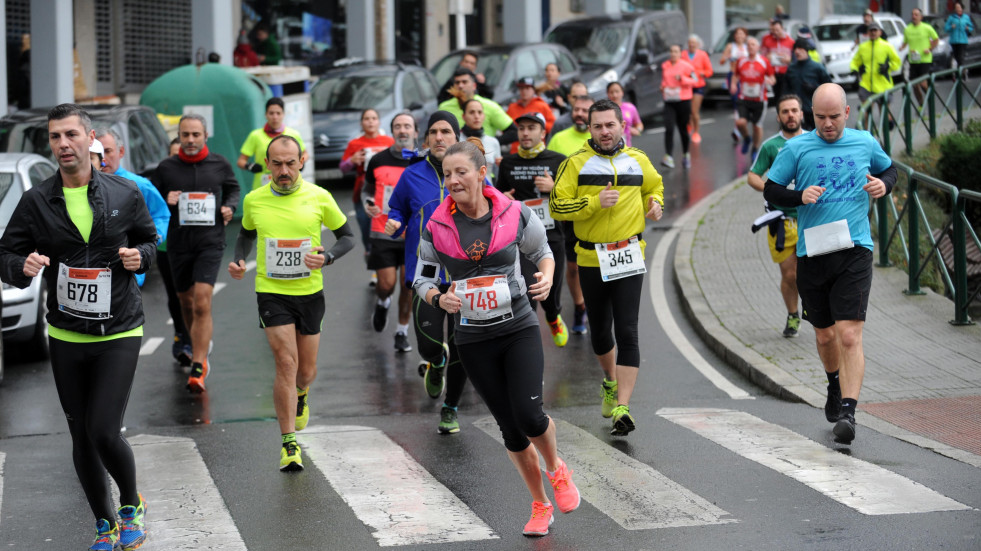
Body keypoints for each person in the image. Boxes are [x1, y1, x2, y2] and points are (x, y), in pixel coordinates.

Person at [0, 103, 155, 551]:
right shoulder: (36, 201)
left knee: (104, 428)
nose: (63, 144)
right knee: (81, 435)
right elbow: (6, 255)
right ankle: (104, 523)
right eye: (55, 137)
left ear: (89, 140)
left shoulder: (124, 193)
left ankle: (130, 503)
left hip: (120, 330)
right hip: (67, 335)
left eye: (70, 135)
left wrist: (139, 257)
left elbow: (149, 242)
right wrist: (21, 265)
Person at [414, 137, 580, 537]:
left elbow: (543, 251)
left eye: (461, 172)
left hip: (518, 326)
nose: (453, 180)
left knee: (529, 415)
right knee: (509, 428)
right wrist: (439, 297)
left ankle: (556, 469)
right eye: (447, 174)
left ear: (481, 173)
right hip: (472, 336)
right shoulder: (436, 224)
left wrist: (547, 277)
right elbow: (421, 278)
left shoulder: (513, 212)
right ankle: (540, 504)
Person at [763, 83, 897, 444]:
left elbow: (891, 170)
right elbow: (770, 189)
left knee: (850, 335)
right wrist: (798, 196)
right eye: (820, 117)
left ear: (847, 113)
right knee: (824, 336)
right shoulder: (797, 147)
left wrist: (883, 185)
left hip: (854, 249)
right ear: (811, 115)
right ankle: (834, 385)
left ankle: (850, 413)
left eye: (834, 117)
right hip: (813, 252)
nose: (827, 124)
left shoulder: (864, 141)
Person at [229, 135, 354, 471]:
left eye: (290, 163)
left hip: (310, 292)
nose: (283, 170)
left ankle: (301, 394)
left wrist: (327, 257)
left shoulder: (319, 197)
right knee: (285, 361)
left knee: (306, 370)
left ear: (302, 160)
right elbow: (245, 234)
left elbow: (348, 237)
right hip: (271, 291)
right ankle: (288, 443)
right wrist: (239, 259)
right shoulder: (255, 200)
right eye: (276, 164)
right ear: (267, 164)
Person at [550, 99, 664, 436]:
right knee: (601, 333)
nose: (604, 131)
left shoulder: (639, 160)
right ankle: (610, 381)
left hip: (629, 253)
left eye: (609, 125)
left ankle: (622, 407)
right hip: (591, 257)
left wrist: (655, 203)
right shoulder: (575, 164)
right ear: (590, 128)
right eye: (597, 126)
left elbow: (654, 186)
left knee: (627, 331)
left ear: (621, 126)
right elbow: (557, 205)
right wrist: (594, 202)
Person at [386, 112, 471, 434]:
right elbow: (397, 210)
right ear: (426, 138)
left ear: (457, 137)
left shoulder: (473, 174)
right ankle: (435, 363)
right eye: (433, 132)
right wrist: (394, 223)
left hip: (464, 274)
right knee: (429, 344)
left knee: (461, 346)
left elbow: (495, 207)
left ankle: (450, 408)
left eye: (446, 131)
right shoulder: (411, 176)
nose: (439, 137)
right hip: (426, 275)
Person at [156, 113, 240, 393]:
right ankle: (195, 342)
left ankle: (199, 364)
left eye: (196, 135)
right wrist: (166, 200)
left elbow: (233, 188)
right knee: (187, 303)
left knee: (202, 301)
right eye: (185, 135)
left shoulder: (219, 164)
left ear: (206, 136)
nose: (190, 140)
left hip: (209, 242)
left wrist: (229, 206)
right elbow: (155, 202)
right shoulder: (167, 167)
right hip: (179, 244)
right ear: (178, 137)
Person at [496, 111, 569, 346]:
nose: (525, 133)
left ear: (543, 132)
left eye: (531, 128)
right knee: (530, 290)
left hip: (552, 235)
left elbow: (573, 198)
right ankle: (530, 342)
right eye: (521, 128)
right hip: (521, 238)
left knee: (551, 290)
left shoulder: (558, 160)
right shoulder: (508, 162)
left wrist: (554, 186)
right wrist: (503, 197)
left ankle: (553, 316)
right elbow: (497, 197)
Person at [746, 94, 805, 338]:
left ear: (802, 113)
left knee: (810, 274)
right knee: (789, 275)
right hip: (781, 222)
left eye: (794, 110)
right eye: (785, 111)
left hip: (810, 219)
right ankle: (793, 315)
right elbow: (753, 176)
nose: (790, 115)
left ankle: (817, 311)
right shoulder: (771, 146)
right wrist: (771, 191)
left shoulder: (814, 140)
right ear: (779, 116)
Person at [363, 113, 419, 351]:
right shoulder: (377, 160)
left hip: (412, 235)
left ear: (416, 132)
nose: (402, 130)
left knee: (408, 285)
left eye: (407, 126)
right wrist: (369, 205)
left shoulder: (422, 162)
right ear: (392, 131)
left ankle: (401, 331)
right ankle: (383, 302)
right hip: (383, 231)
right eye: (398, 126)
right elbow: (367, 191)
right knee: (386, 284)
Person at [95, 127, 170, 289]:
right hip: (93, 274)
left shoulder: (138, 186)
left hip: (128, 273)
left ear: (121, 152)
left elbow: (161, 215)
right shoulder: (82, 187)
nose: (103, 159)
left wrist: (148, 244)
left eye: (108, 151)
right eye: (98, 153)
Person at [547, 95, 594, 335]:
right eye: (576, 109)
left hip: (596, 214)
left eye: (585, 110)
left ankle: (598, 308)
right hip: (569, 216)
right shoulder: (558, 139)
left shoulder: (599, 139)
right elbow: (546, 171)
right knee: (574, 267)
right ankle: (579, 306)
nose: (579, 113)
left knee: (598, 266)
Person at [341, 108, 395, 267]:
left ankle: (381, 267)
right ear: (361, 123)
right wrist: (352, 160)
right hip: (363, 193)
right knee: (367, 230)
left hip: (386, 193)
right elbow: (343, 168)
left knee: (384, 230)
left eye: (373, 118)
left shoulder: (389, 142)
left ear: (379, 122)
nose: (370, 121)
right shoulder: (355, 144)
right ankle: (370, 255)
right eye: (366, 118)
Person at [158, 138, 191, 365]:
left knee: (191, 297)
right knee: (174, 295)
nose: (176, 159)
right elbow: (148, 205)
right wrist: (165, 200)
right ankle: (180, 334)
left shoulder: (197, 176)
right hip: (166, 246)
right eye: (172, 154)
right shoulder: (161, 176)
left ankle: (192, 341)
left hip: (191, 245)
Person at [238, 97, 308, 191]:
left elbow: (305, 154)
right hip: (262, 186)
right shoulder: (255, 136)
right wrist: (249, 166)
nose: (275, 117)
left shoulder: (293, 134)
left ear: (283, 114)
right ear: (265, 115)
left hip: (288, 184)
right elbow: (241, 161)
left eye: (278, 113)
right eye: (271, 113)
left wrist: (301, 163)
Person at [438, 68, 516, 145]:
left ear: (474, 86)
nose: (460, 86)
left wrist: (489, 144)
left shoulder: (490, 106)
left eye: (464, 82)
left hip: (484, 155)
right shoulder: (444, 108)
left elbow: (514, 132)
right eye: (457, 83)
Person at [731, 36, 776, 161]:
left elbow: (773, 78)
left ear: (758, 48)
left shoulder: (763, 61)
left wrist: (769, 81)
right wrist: (733, 84)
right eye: (749, 44)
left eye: (753, 44)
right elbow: (736, 75)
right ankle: (746, 138)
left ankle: (755, 148)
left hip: (759, 99)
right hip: (744, 98)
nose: (750, 47)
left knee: (757, 126)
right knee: (740, 122)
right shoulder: (741, 61)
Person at [850, 22, 900, 128]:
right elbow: (854, 61)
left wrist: (888, 66)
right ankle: (866, 133)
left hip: (883, 85)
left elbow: (897, 62)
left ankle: (888, 125)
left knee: (884, 112)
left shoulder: (887, 46)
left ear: (880, 32)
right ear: (868, 33)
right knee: (866, 110)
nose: (873, 32)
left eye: (875, 30)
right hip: (866, 85)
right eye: (871, 30)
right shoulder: (863, 47)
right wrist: (854, 70)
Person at [660, 44, 698, 169]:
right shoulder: (665, 65)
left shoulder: (687, 66)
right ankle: (669, 156)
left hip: (683, 100)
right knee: (669, 127)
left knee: (682, 129)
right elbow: (665, 80)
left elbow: (695, 80)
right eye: (671, 51)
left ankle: (686, 154)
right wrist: (663, 86)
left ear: (681, 53)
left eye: (675, 51)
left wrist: (682, 79)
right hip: (669, 101)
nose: (673, 54)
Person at [785, 38, 831, 130]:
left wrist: (815, 88)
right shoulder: (791, 69)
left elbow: (830, 87)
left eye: (800, 49)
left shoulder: (817, 67)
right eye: (795, 49)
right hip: (796, 110)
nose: (797, 52)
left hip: (814, 109)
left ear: (806, 50)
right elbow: (785, 89)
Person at [902, 8, 940, 105]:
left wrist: (930, 49)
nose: (914, 17)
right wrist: (901, 48)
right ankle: (921, 104)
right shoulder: (907, 29)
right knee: (915, 85)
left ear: (921, 17)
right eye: (912, 14)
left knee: (923, 83)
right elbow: (905, 42)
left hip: (925, 59)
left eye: (916, 15)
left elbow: (936, 40)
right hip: (913, 59)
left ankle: (930, 99)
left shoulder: (927, 28)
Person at [506, 77, 556, 153]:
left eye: (527, 88)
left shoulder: (542, 105)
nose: (524, 91)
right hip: (516, 151)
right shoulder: (512, 107)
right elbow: (505, 128)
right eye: (521, 88)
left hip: (537, 151)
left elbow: (553, 125)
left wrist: (535, 126)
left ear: (533, 90)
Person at [460, 99, 502, 181]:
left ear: (484, 116)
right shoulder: (456, 140)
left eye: (479, 112)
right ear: (463, 116)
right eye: (472, 112)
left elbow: (498, 174)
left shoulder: (493, 142)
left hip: (488, 191)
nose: (476, 116)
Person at [721, 27, 750, 142]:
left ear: (745, 36)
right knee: (736, 102)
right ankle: (737, 129)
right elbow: (722, 61)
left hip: (746, 77)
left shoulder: (748, 47)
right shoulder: (730, 46)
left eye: (742, 34)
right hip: (733, 76)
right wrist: (728, 57)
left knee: (745, 101)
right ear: (735, 36)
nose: (739, 36)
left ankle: (741, 126)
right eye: (737, 34)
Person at [684, 34, 713, 145]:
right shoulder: (683, 55)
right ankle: (689, 124)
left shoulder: (702, 55)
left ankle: (696, 132)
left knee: (694, 111)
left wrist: (702, 73)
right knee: (687, 110)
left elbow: (709, 71)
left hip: (698, 85)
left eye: (694, 43)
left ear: (697, 44)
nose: (691, 44)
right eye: (690, 42)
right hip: (686, 86)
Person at [761, 18, 795, 101]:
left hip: (786, 73)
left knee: (784, 96)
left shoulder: (791, 41)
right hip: (773, 73)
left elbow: (795, 58)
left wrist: (789, 59)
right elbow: (762, 56)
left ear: (782, 28)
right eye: (773, 30)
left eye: (777, 30)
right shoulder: (767, 40)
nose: (775, 32)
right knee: (777, 97)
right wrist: (767, 57)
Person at [605, 81, 642, 147]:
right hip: (609, 146)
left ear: (622, 92)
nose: (614, 95)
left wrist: (637, 130)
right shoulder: (604, 110)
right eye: (611, 92)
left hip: (627, 146)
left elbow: (639, 123)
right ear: (607, 94)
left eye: (617, 91)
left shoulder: (630, 107)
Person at [945, 2, 974, 75]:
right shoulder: (951, 18)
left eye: (959, 7)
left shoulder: (966, 17)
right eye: (956, 8)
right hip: (954, 41)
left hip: (963, 40)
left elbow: (971, 27)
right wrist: (951, 27)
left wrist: (968, 28)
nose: (958, 9)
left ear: (962, 8)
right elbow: (945, 28)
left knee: (961, 57)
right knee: (957, 57)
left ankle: (960, 73)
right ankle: (962, 71)